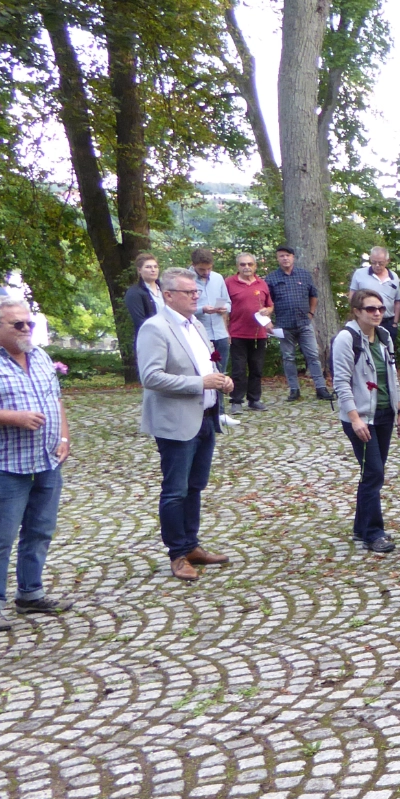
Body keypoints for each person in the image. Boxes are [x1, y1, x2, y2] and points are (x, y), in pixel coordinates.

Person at [138, 268, 234, 581]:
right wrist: (200, 382)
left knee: (195, 487)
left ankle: (191, 545)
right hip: (176, 422)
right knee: (175, 490)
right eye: (189, 292)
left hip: (204, 417)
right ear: (168, 295)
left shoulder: (196, 325)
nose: (196, 296)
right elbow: (151, 377)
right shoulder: (156, 328)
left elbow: (206, 365)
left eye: (196, 292)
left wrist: (220, 380)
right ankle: (177, 554)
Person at [0, 298, 73, 630]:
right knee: (1, 536)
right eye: (18, 325)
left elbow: (56, 400)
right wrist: (14, 418)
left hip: (47, 460)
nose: (27, 329)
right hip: (7, 465)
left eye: (30, 324)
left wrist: (65, 437)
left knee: (40, 530)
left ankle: (30, 593)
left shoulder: (39, 356)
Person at [332, 289, 400, 554]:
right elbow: (341, 382)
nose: (377, 313)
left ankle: (360, 526)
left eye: (380, 308)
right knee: (374, 472)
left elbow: (393, 376)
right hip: (362, 418)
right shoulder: (346, 339)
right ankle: (373, 533)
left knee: (372, 472)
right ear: (356, 311)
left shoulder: (385, 336)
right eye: (370, 309)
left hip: (385, 414)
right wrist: (355, 419)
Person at [265, 244, 333, 402]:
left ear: (293, 257)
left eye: (288, 255)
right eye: (281, 256)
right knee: (288, 358)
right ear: (277, 258)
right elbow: (267, 302)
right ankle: (294, 390)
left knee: (313, 356)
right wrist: (269, 321)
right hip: (283, 324)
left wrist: (311, 313)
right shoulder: (271, 278)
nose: (285, 258)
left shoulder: (304, 275)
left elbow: (313, 295)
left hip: (304, 323)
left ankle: (321, 388)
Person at [191, 249, 239, 427]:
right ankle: (202, 411)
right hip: (200, 333)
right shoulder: (186, 279)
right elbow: (182, 308)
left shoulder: (218, 278)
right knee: (203, 372)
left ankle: (220, 412)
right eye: (202, 270)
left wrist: (223, 308)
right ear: (194, 265)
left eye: (209, 269)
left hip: (219, 331)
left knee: (221, 372)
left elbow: (228, 302)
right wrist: (202, 309)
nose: (206, 273)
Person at [225, 253, 274, 412]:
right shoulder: (229, 283)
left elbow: (270, 305)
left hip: (258, 334)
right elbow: (224, 310)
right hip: (237, 332)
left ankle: (254, 399)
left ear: (255, 266)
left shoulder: (262, 284)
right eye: (243, 264)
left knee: (257, 368)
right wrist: (226, 331)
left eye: (250, 264)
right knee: (238, 369)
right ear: (237, 266)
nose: (246, 267)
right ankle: (236, 401)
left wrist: (268, 310)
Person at [350, 246, 400, 344]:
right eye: (373, 262)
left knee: (387, 352)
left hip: (387, 322)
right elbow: (352, 298)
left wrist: (395, 323)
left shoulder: (394, 277)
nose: (377, 265)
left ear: (387, 261)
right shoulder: (359, 274)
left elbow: (397, 301)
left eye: (380, 263)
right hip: (365, 321)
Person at [123, 252, 161, 350]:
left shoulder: (165, 288)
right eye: (148, 267)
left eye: (155, 267)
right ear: (139, 270)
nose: (153, 270)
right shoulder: (134, 293)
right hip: (149, 341)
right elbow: (140, 322)